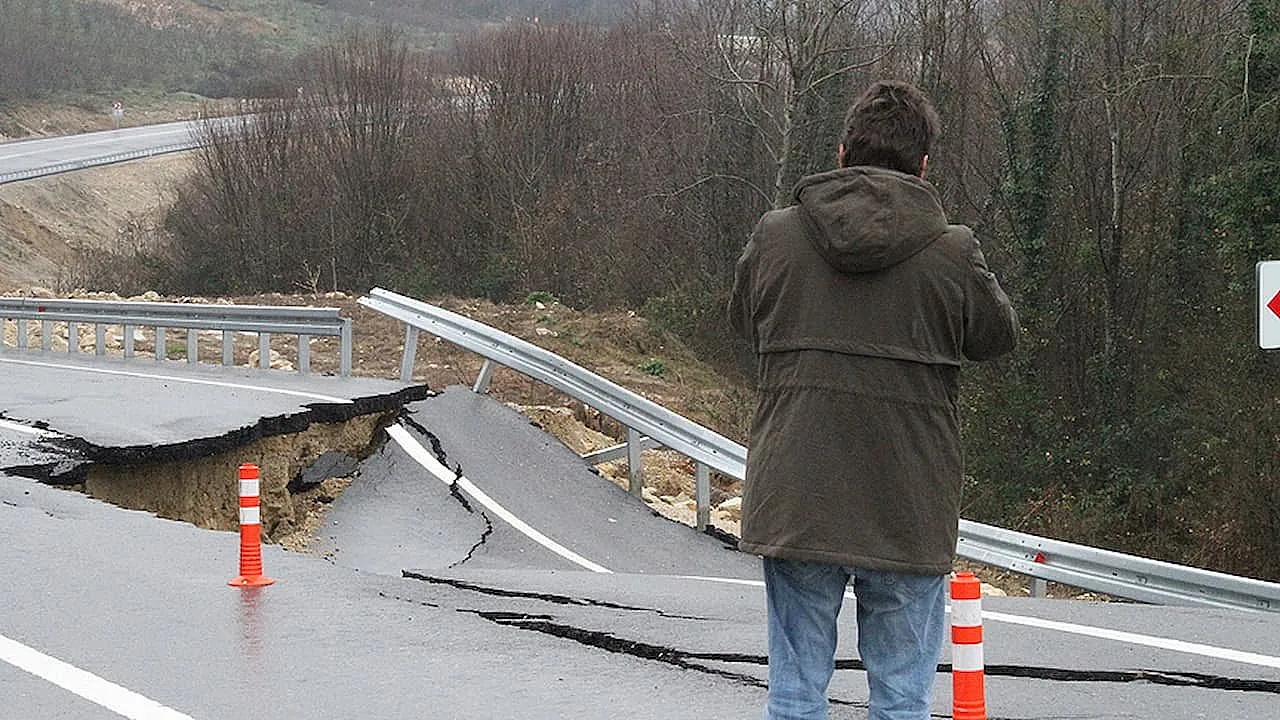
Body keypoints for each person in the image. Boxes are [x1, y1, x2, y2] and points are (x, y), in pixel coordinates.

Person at [728, 80, 1018, 720]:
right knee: (901, 701)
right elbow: (997, 338)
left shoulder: (776, 236)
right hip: (908, 505)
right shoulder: (953, 251)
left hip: (798, 497)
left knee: (795, 695)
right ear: (923, 166)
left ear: (842, 155)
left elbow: (744, 320)